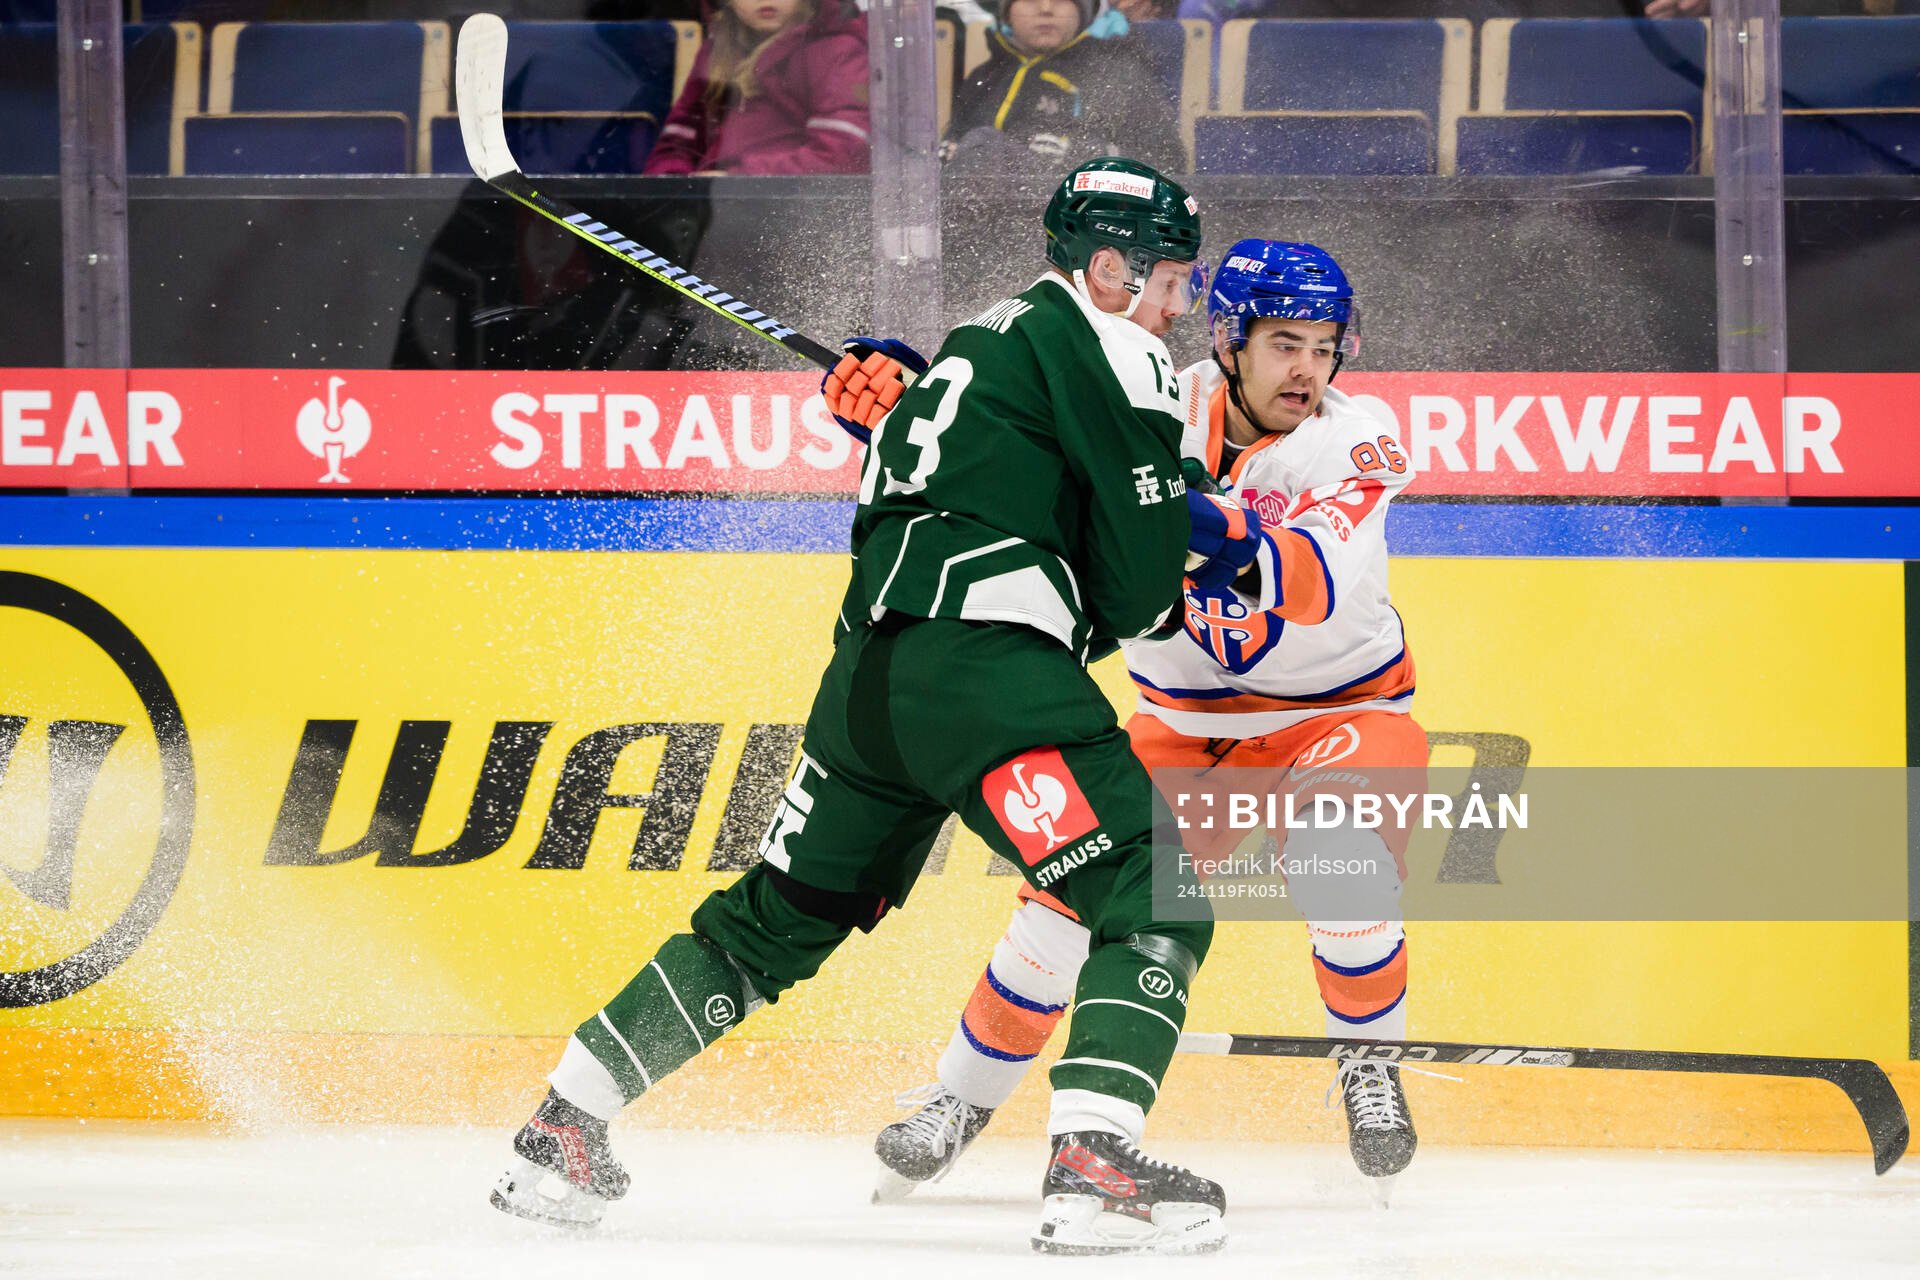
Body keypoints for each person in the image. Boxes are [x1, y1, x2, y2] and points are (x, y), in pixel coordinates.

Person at [491, 157, 1255, 1257]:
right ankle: (1093, 1162)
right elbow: (1136, 593)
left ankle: (563, 1123)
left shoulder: (967, 355)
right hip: (984, 676)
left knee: (776, 919)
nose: (1181, 307)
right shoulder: (1118, 347)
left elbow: (957, 467)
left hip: (867, 689)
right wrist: (1180, 539)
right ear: (1107, 270)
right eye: (1172, 278)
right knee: (1149, 880)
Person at [869, 240, 1430, 1198]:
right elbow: (1017, 489)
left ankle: (1368, 1065)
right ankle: (958, 1099)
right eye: (1284, 342)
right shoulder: (1144, 402)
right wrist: (940, 425)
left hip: (1339, 710)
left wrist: (1171, 512)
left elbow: (1310, 578)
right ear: (1228, 340)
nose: (1307, 367)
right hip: (1182, 728)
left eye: (1324, 345)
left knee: (1339, 861)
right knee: (1064, 915)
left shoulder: (1358, 436)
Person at [943, 0, 1186, 174]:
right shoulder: (987, 75)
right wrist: (948, 155)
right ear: (1008, 13)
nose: (1046, 8)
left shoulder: (1117, 73)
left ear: (1084, 12)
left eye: (1062, 0)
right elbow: (954, 142)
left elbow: (1169, 161)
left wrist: (1084, 155)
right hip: (982, 224)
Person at [643, 0, 870, 176]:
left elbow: (844, 154)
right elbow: (680, 138)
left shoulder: (835, 49)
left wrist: (741, 180)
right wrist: (672, 184)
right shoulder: (717, 49)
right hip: (713, 209)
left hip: (796, 211)